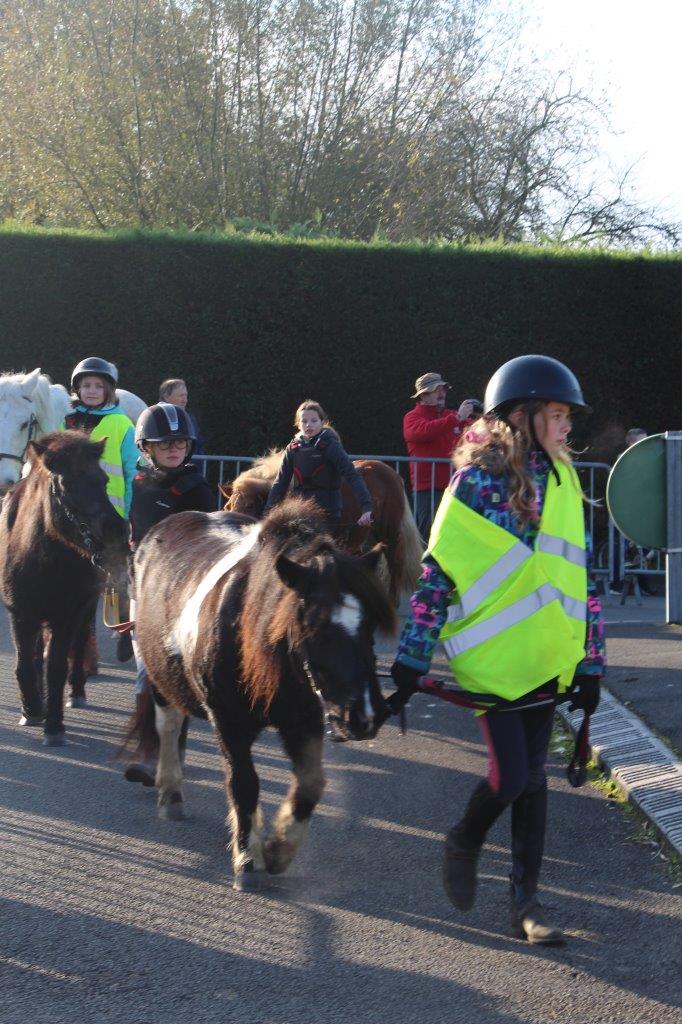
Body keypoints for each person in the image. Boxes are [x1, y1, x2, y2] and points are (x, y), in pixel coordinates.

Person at [386, 354, 605, 945]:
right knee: (511, 778)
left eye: (566, 417)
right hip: (493, 659)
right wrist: (412, 656)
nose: (565, 427)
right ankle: (465, 837)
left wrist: (592, 660)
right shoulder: (475, 482)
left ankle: (525, 906)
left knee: (533, 781)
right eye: (556, 415)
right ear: (521, 414)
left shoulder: (562, 479)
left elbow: (578, 576)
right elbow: (439, 575)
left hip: (546, 656)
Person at [124, 402, 215, 786]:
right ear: (147, 448)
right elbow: (133, 541)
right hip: (145, 591)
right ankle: (154, 755)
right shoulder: (138, 486)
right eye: (164, 444)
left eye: (180, 442)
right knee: (147, 677)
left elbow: (208, 545)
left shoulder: (199, 489)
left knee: (173, 676)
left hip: (183, 595)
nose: (174, 449)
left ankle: (168, 758)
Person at [264, 400, 373, 532]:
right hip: (299, 512)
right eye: (304, 421)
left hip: (326, 513)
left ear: (322, 422)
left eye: (314, 420)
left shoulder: (331, 445)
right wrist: (267, 515)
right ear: (298, 424)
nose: (309, 425)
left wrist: (366, 508)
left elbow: (352, 475)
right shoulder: (292, 449)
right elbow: (280, 483)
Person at [403, 373, 475, 541]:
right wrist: (457, 418)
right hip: (428, 490)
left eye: (443, 389)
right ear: (423, 395)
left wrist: (484, 417)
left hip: (455, 487)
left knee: (455, 536)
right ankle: (423, 568)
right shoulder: (412, 417)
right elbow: (424, 432)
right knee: (428, 536)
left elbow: (476, 430)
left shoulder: (451, 415)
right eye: (436, 390)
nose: (442, 393)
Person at [64, 357, 137, 518]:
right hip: (71, 513)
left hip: (110, 514)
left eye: (99, 386)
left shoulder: (122, 423)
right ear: (77, 389)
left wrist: (131, 515)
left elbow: (134, 472)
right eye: (86, 385)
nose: (92, 391)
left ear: (108, 391)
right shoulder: (66, 422)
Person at [159, 378, 204, 454]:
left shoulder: (190, 419)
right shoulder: (156, 418)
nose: (185, 400)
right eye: (181, 396)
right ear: (166, 397)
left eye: (185, 395)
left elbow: (198, 444)